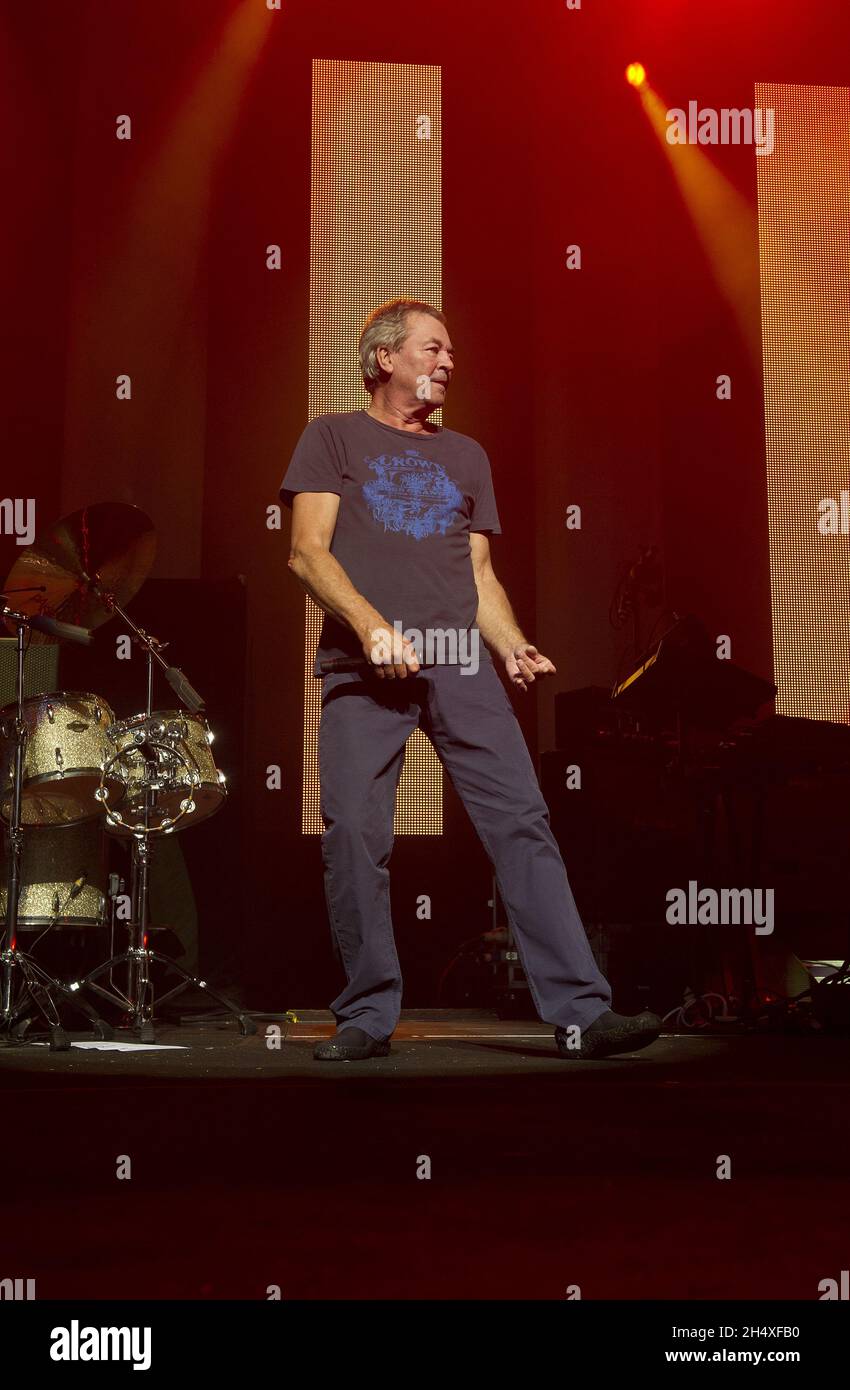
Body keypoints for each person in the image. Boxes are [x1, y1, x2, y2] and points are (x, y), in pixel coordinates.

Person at [280, 297, 662, 1062]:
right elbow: (307, 553)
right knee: (355, 833)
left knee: (522, 822)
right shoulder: (331, 437)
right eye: (433, 348)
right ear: (385, 358)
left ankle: (583, 1011)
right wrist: (371, 626)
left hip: (460, 660)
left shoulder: (467, 456)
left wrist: (512, 643)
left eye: (451, 352)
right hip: (366, 666)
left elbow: (479, 574)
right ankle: (365, 1015)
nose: (448, 362)